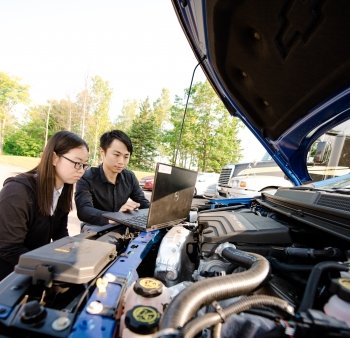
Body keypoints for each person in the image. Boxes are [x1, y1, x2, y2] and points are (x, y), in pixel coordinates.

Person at [0, 131, 89, 281]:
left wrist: (78, 254)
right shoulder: (17, 192)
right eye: (76, 163)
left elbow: (60, 233)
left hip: (34, 269)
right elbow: (8, 248)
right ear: (54, 158)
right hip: (8, 277)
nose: (81, 170)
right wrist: (51, 267)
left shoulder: (63, 190)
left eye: (84, 165)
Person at [75, 129, 150, 226]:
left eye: (126, 157)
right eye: (116, 155)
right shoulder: (87, 177)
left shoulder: (129, 177)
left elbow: (143, 203)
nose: (121, 161)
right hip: (94, 228)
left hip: (119, 226)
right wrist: (116, 216)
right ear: (102, 152)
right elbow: (84, 211)